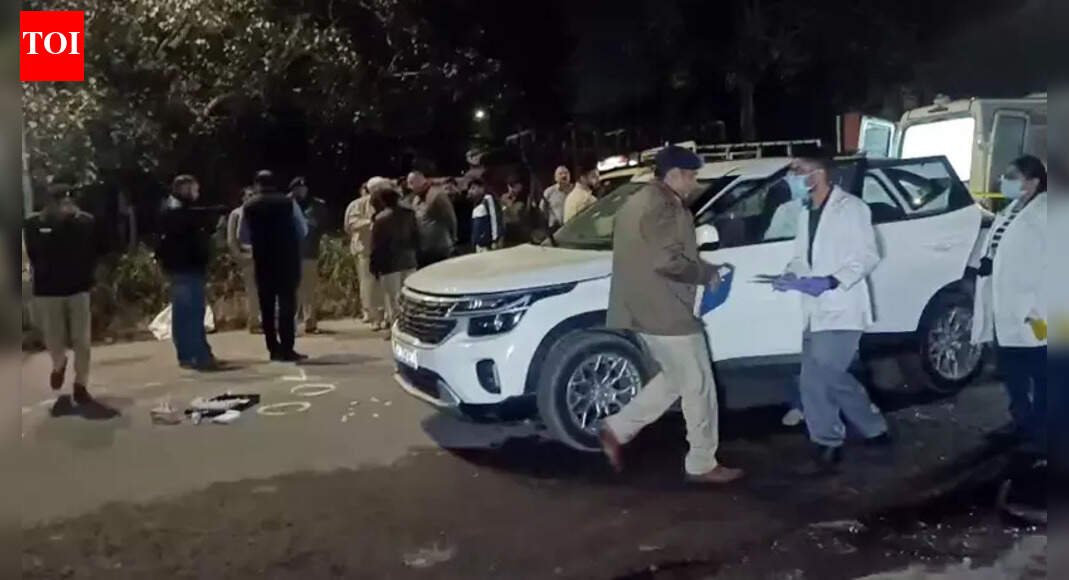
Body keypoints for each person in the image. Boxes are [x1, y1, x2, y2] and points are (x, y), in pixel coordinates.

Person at [599, 146, 743, 484]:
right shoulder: (665, 206)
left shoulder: (635, 201)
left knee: (676, 379)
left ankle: (616, 429)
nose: (693, 184)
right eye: (691, 176)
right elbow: (666, 261)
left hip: (641, 309)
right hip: (667, 310)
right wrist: (706, 273)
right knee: (699, 384)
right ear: (675, 174)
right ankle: (702, 462)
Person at [771, 148, 889, 474]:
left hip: (842, 305)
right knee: (818, 379)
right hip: (814, 308)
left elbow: (868, 255)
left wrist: (833, 281)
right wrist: (790, 275)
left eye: (799, 170)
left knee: (822, 374)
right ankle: (855, 431)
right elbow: (801, 257)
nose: (792, 177)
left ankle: (837, 437)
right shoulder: (805, 212)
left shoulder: (851, 208)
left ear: (818, 173)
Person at [971, 155, 1048, 452]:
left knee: (1043, 372)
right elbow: (1000, 247)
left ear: (1033, 182)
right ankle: (1022, 420)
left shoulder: (1049, 213)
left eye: (1013, 176)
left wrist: (1038, 309)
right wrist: (988, 261)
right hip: (1006, 307)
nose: (1004, 181)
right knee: (1012, 369)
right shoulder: (1010, 211)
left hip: (1038, 311)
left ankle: (1042, 432)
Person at [23, 180, 114, 417]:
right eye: (58, 200)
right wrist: (55, 224)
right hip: (48, 290)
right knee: (54, 339)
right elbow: (35, 253)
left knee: (82, 340)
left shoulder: (84, 222)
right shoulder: (34, 224)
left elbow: (100, 248)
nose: (64, 204)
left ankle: (81, 384)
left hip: (78, 288)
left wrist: (72, 222)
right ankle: (59, 364)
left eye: (67, 199)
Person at [240, 170, 308, 362]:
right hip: (287, 259)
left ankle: (273, 348)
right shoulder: (288, 202)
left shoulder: (249, 205)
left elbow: (243, 236)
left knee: (267, 306)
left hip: (263, 260)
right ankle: (288, 348)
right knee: (287, 304)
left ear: (256, 184)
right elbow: (302, 230)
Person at [157, 175, 223, 371]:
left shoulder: (175, 209)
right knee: (192, 313)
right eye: (194, 189)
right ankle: (198, 355)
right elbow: (187, 224)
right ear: (184, 189)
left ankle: (189, 354)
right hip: (186, 267)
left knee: (184, 314)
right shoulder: (176, 212)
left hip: (183, 267)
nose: (196, 194)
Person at [370, 186, 420, 328]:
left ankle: (397, 327)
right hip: (409, 260)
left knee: (393, 299)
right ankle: (411, 325)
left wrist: (374, 265)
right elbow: (416, 236)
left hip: (389, 263)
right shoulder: (409, 214)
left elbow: (377, 245)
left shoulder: (380, 219)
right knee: (408, 297)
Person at [344, 179, 386, 329]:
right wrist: (371, 222)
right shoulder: (357, 204)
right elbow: (350, 224)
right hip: (365, 249)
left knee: (385, 284)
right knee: (368, 284)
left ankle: (385, 315)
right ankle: (373, 316)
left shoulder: (387, 202)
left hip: (385, 249)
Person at [291, 177, 328, 334]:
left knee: (309, 289)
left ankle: (310, 322)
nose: (301, 190)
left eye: (304, 188)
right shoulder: (285, 204)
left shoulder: (316, 205)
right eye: (298, 188)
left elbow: (321, 225)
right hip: (290, 253)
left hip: (309, 252)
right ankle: (290, 323)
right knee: (291, 290)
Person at [227, 187, 260, 334]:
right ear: (243, 197)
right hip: (247, 255)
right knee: (252, 291)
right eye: (249, 195)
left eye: (254, 195)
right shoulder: (236, 214)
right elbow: (231, 238)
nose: (252, 197)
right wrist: (238, 256)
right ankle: (254, 322)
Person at [407, 171, 457, 267]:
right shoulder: (416, 198)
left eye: (411, 183)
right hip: (423, 249)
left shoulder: (437, 196)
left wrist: (454, 238)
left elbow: (451, 218)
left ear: (420, 181)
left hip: (440, 249)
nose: (409, 187)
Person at [469, 179, 504, 252]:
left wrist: (495, 239)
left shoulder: (488, 199)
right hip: (479, 244)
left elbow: (494, 219)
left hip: (488, 243)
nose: (471, 191)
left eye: (473, 188)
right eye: (470, 189)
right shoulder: (475, 204)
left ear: (481, 188)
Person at [502, 177, 531, 246]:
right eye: (511, 187)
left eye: (516, 187)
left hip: (520, 231)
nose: (513, 189)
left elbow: (527, 214)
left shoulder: (525, 198)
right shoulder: (504, 198)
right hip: (507, 230)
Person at [541, 165, 573, 230]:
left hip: (573, 224)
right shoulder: (549, 192)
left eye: (566, 173)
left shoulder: (575, 189)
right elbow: (542, 209)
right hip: (556, 228)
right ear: (555, 178)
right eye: (560, 174)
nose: (564, 175)